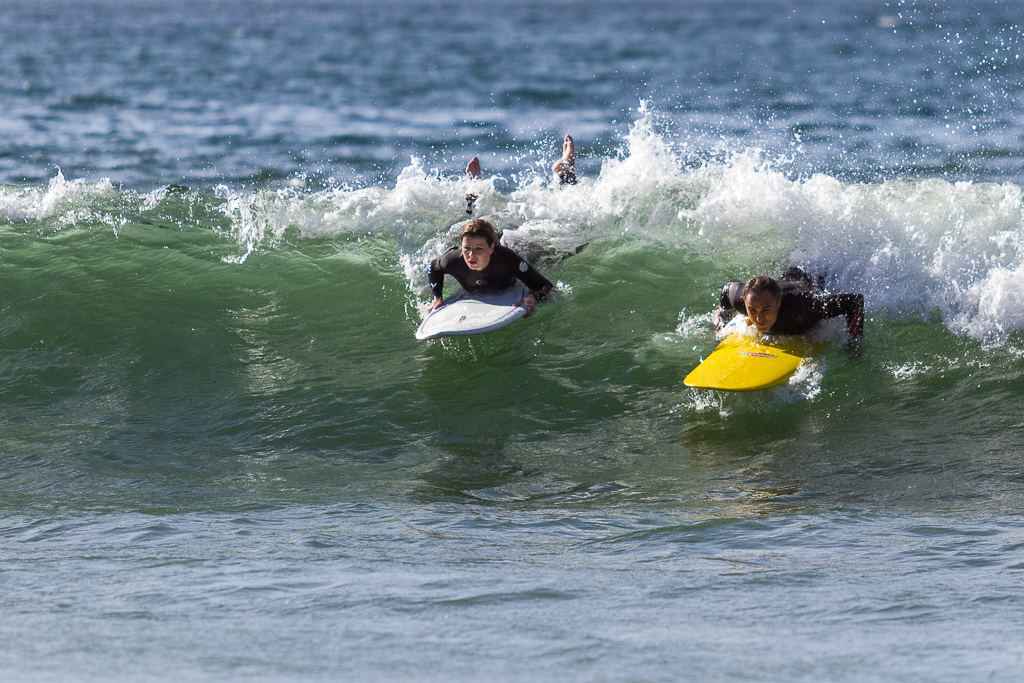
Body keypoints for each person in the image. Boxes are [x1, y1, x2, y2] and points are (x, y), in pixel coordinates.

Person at [427, 218, 553, 316]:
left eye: (479, 248)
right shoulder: (453, 261)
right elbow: (433, 267)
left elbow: (547, 286)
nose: (471, 255)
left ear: (491, 248)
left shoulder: (507, 260)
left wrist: (534, 297)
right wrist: (437, 297)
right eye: (466, 248)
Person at [716, 268, 864, 342]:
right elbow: (727, 288)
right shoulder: (744, 298)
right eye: (752, 310)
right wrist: (721, 325)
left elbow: (854, 301)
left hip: (815, 276)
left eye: (766, 310)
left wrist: (853, 342)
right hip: (786, 278)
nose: (759, 318)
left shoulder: (804, 308)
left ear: (778, 302)